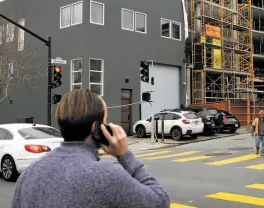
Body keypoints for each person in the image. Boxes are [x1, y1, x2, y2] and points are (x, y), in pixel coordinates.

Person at [11, 89, 170, 208]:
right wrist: (124, 155)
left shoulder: (29, 174)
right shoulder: (106, 176)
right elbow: (160, 202)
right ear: (97, 128)